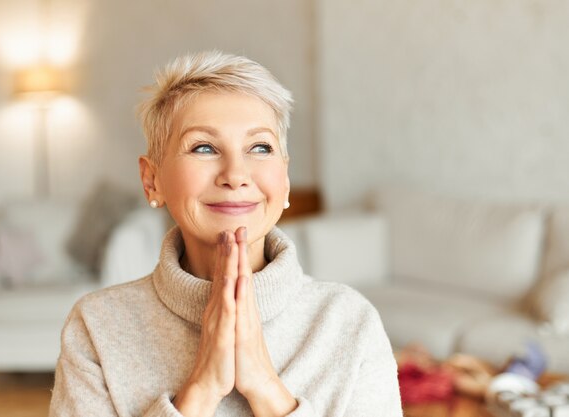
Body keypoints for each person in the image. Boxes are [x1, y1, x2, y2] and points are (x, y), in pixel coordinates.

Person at [49, 51, 403, 417]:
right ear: (151, 180)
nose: (236, 173)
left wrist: (266, 389)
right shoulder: (97, 326)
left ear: (284, 181)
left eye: (260, 147)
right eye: (204, 147)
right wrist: (201, 390)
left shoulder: (350, 323)